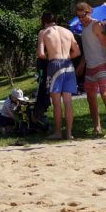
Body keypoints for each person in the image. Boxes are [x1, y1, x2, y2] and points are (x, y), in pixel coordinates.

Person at [37, 12, 81, 140]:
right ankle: (69, 133)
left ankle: (58, 132)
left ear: (44, 22)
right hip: (69, 65)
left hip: (54, 65)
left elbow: (40, 54)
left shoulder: (44, 32)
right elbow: (77, 51)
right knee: (68, 102)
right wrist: (66, 57)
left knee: (56, 103)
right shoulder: (68, 32)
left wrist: (50, 57)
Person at [75, 2, 106, 138]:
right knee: (90, 98)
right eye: (79, 16)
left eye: (83, 15)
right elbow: (88, 49)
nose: (81, 18)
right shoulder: (83, 29)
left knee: (105, 95)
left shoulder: (97, 25)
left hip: (102, 65)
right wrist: (82, 64)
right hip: (90, 68)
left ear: (89, 12)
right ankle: (97, 127)